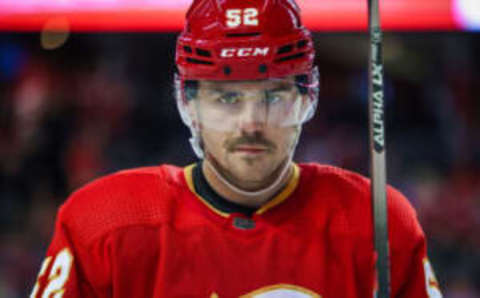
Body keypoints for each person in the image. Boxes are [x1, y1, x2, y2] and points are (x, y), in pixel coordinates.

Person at [30, 0, 443, 297]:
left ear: (307, 98)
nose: (251, 121)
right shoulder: (103, 226)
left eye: (274, 95)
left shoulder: (378, 223)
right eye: (226, 98)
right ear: (187, 103)